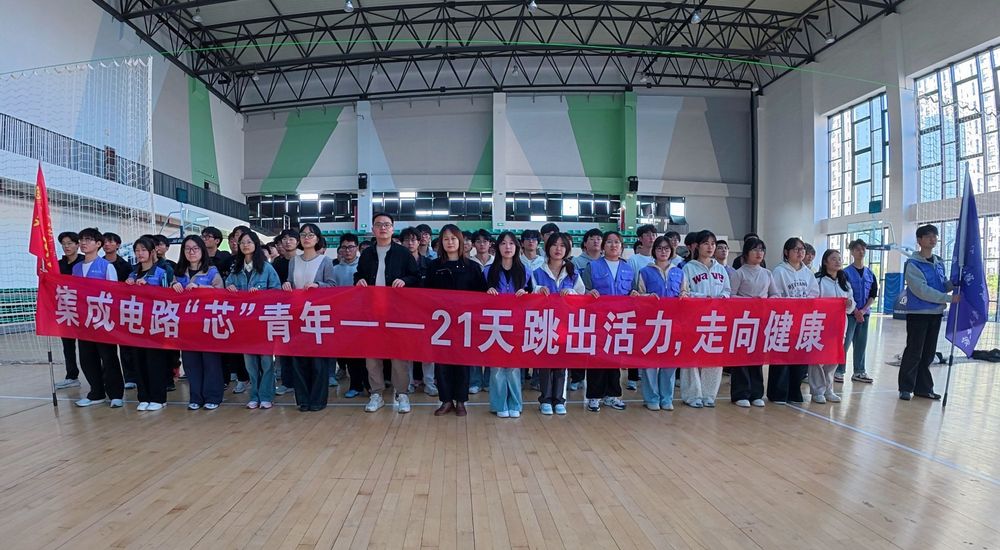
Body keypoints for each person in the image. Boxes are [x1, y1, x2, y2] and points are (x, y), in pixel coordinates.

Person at [354, 213, 420, 414]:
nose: (383, 228)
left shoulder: (403, 253)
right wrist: (359, 281)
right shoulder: (367, 254)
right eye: (378, 224)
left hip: (397, 312)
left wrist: (405, 281)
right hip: (372, 311)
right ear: (373, 229)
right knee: (372, 355)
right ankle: (377, 393)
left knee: (398, 355)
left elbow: (416, 277)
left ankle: (402, 394)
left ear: (392, 228)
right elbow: (359, 274)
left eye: (387, 224)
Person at [427, 225, 488, 416]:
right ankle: (446, 400)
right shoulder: (434, 266)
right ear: (441, 243)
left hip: (465, 323)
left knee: (462, 363)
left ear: (460, 241)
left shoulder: (472, 267)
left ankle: (461, 401)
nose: (450, 242)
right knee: (442, 363)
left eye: (453, 238)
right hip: (441, 324)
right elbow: (425, 294)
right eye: (446, 239)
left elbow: (481, 295)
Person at [898, 224, 957, 401]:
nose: (933, 239)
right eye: (929, 236)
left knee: (928, 353)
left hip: (936, 313)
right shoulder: (913, 264)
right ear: (919, 240)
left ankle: (923, 388)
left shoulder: (939, 263)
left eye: (935, 236)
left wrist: (954, 283)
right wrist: (949, 299)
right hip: (919, 314)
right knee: (914, 351)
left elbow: (941, 285)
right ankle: (906, 387)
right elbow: (921, 290)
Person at [282, 223, 337, 411]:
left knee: (317, 360)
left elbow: (332, 285)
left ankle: (318, 400)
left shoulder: (325, 261)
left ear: (317, 239)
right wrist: (287, 285)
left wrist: (318, 285)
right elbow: (291, 282)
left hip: (317, 314)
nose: (306, 238)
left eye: (311, 235)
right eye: (303, 234)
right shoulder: (293, 261)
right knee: (298, 360)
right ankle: (303, 400)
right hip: (297, 314)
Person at [527, 232, 583, 415]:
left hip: (565, 325)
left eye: (562, 245)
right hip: (544, 324)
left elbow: (582, 296)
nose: (558, 249)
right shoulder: (537, 272)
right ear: (547, 247)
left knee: (561, 364)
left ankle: (559, 399)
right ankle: (545, 399)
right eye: (554, 245)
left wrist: (571, 293)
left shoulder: (573, 273)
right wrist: (538, 290)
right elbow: (529, 297)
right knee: (544, 364)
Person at [226, 231, 281, 410]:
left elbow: (277, 291)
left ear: (256, 244)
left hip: (263, 322)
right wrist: (229, 287)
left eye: (249, 242)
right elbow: (227, 288)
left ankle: (266, 395)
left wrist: (262, 294)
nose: (245, 245)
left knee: (266, 362)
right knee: (250, 364)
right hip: (245, 324)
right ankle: (254, 395)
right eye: (242, 242)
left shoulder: (267, 268)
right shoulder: (236, 269)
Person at [71, 228, 125, 408]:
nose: (83, 243)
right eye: (81, 240)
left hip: (103, 321)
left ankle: (115, 394)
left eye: (88, 239)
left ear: (98, 244)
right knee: (87, 358)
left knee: (108, 358)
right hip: (83, 322)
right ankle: (96, 393)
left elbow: (114, 294)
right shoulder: (76, 268)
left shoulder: (106, 266)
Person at [581, 230, 632, 412]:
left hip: (620, 319)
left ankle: (613, 395)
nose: (613, 245)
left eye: (617, 242)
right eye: (609, 242)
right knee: (596, 358)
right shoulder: (593, 266)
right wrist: (589, 293)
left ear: (622, 246)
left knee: (615, 359)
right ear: (603, 247)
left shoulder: (628, 268)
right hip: (598, 319)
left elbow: (632, 291)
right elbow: (583, 289)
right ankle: (594, 397)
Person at [172, 235, 225, 410]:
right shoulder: (179, 272)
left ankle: (213, 396)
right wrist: (173, 286)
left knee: (210, 362)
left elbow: (221, 293)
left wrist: (202, 289)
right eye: (187, 248)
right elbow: (169, 295)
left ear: (202, 250)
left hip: (208, 324)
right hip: (187, 326)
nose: (191, 252)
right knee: (191, 362)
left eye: (195, 248)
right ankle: (195, 397)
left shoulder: (211, 271)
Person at [634, 236, 686, 411]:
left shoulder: (679, 272)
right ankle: (651, 398)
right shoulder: (644, 272)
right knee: (650, 362)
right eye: (659, 248)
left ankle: (667, 398)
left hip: (673, 323)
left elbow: (685, 292)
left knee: (669, 362)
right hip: (651, 323)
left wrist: (684, 295)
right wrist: (647, 297)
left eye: (666, 248)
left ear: (671, 251)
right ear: (654, 251)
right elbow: (638, 295)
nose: (663, 252)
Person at [680, 230, 730, 408]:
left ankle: (709, 394)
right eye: (706, 243)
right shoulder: (688, 268)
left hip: (716, 319)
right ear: (697, 246)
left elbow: (727, 290)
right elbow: (684, 292)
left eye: (713, 244)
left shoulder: (720, 269)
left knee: (713, 357)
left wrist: (722, 297)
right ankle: (692, 395)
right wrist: (703, 297)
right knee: (691, 357)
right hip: (694, 318)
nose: (710, 247)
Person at [766, 237, 819, 405]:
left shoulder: (808, 273)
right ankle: (778, 393)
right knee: (781, 358)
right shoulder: (779, 271)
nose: (800, 252)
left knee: (799, 358)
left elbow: (814, 293)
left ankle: (794, 392)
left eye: (802, 249)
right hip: (784, 320)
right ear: (786, 252)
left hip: (802, 321)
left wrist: (804, 303)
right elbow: (774, 293)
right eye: (796, 249)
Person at [485, 231, 532, 418]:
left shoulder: (525, 271)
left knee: (513, 366)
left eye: (511, 243)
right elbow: (477, 300)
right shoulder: (488, 271)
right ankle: (499, 404)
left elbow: (533, 297)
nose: (508, 247)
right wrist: (487, 292)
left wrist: (526, 295)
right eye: (503, 243)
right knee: (496, 366)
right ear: (498, 247)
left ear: (517, 247)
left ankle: (515, 403)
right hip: (495, 325)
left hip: (516, 324)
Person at [125, 235, 173, 411]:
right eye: (137, 250)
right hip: (137, 324)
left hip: (155, 324)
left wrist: (149, 288)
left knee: (155, 362)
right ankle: (143, 397)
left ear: (153, 252)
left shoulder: (161, 273)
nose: (140, 253)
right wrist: (127, 286)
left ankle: (158, 398)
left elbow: (167, 297)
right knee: (138, 361)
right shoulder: (132, 274)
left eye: (143, 250)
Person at [727, 237, 774, 407]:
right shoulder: (739, 273)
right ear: (746, 253)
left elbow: (775, 294)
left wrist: (765, 301)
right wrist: (749, 302)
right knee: (741, 358)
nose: (759, 253)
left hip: (761, 320)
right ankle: (741, 393)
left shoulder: (767, 273)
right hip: (742, 321)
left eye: (761, 250)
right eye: (755, 249)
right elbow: (731, 296)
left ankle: (756, 393)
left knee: (757, 357)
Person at [812, 250, 855, 404]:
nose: (837, 262)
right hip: (821, 324)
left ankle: (828, 389)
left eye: (839, 259)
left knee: (833, 357)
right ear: (825, 262)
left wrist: (850, 304)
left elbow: (851, 301)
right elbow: (813, 301)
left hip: (840, 325)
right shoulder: (818, 280)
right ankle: (817, 390)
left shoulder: (845, 282)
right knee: (817, 358)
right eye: (833, 259)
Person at [401, 227, 438, 397]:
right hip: (405, 314)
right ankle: (408, 382)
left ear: (419, 241)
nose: (410, 243)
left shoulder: (429, 264)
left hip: (426, 313)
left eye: (413, 239)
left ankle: (429, 383)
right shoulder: (397, 266)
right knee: (407, 350)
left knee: (427, 350)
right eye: (406, 240)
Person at [332, 233, 369, 399]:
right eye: (344, 247)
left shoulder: (364, 267)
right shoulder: (334, 270)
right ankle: (355, 386)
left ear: (357, 248)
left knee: (366, 354)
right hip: (343, 317)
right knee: (350, 354)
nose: (348, 250)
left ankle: (370, 385)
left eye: (351, 247)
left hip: (362, 317)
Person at [842, 239, 877, 384]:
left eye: (863, 249)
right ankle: (839, 371)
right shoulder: (845, 273)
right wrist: (855, 311)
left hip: (864, 314)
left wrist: (863, 310)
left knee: (861, 344)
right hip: (849, 315)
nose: (861, 252)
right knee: (845, 343)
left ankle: (859, 371)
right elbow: (844, 293)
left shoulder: (870, 274)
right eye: (857, 249)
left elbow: (873, 294)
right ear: (851, 252)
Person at [271, 228, 299, 396]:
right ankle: (288, 382)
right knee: (285, 347)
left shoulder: (302, 260)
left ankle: (302, 380)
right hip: (282, 309)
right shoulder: (277, 263)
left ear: (298, 241)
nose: (287, 242)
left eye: (291, 239)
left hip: (302, 310)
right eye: (284, 239)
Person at [54, 231, 83, 390]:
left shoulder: (84, 262)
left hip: (84, 310)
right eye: (64, 244)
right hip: (66, 309)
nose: (67, 247)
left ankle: (100, 377)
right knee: (68, 345)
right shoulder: (58, 264)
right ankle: (72, 376)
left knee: (90, 347)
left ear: (77, 245)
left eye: (70, 243)